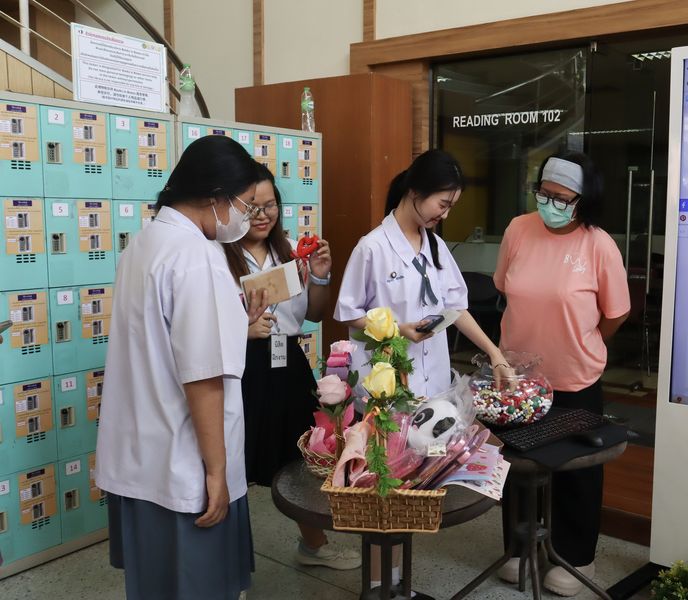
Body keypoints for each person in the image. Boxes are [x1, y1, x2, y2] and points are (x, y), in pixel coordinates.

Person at [334, 149, 513, 596]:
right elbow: (348, 313)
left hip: (431, 387)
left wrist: (494, 352)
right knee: (386, 491)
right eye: (443, 204)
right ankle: (380, 586)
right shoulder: (373, 247)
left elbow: (456, 308)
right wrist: (398, 329)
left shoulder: (434, 246)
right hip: (388, 388)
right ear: (415, 192)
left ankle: (399, 583)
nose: (445, 214)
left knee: (415, 491)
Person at [96, 135, 267, 600]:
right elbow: (203, 377)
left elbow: (157, 339)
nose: (247, 217)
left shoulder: (144, 244)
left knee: (153, 585)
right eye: (246, 204)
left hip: (141, 456)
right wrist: (216, 471)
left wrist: (234, 321)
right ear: (216, 196)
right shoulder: (197, 257)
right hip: (183, 462)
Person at [493, 151, 631, 597]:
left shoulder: (598, 244)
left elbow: (616, 312)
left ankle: (573, 556)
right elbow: (503, 286)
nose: (549, 204)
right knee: (517, 466)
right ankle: (518, 548)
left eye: (561, 198)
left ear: (583, 200)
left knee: (575, 472)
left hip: (575, 377)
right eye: (544, 193)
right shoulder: (518, 229)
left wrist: (585, 343)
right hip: (518, 378)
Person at [221, 163, 361, 570]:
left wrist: (321, 277)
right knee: (235, 462)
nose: (262, 215)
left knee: (303, 455)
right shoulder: (218, 257)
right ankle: (228, 566)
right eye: (252, 207)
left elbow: (314, 314)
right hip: (242, 365)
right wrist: (243, 329)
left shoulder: (289, 253)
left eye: (270, 205)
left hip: (287, 360)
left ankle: (313, 545)